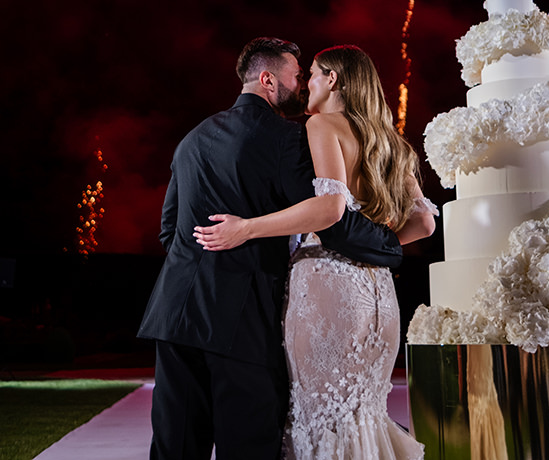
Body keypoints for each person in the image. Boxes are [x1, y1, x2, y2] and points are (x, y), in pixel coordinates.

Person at [138, 37, 405, 460]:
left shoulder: (191, 139)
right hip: (241, 319)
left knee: (174, 448)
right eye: (295, 75)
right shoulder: (286, 138)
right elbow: (329, 220)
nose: (301, 85)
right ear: (267, 80)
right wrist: (391, 245)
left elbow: (170, 231)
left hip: (175, 316)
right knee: (247, 445)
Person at [194, 44, 437, 460]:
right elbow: (425, 223)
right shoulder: (391, 140)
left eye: (313, 75)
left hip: (329, 290)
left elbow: (330, 208)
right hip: (379, 294)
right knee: (363, 415)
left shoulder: (323, 125)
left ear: (333, 80)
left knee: (321, 418)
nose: (306, 84)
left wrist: (247, 228)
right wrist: (380, 244)